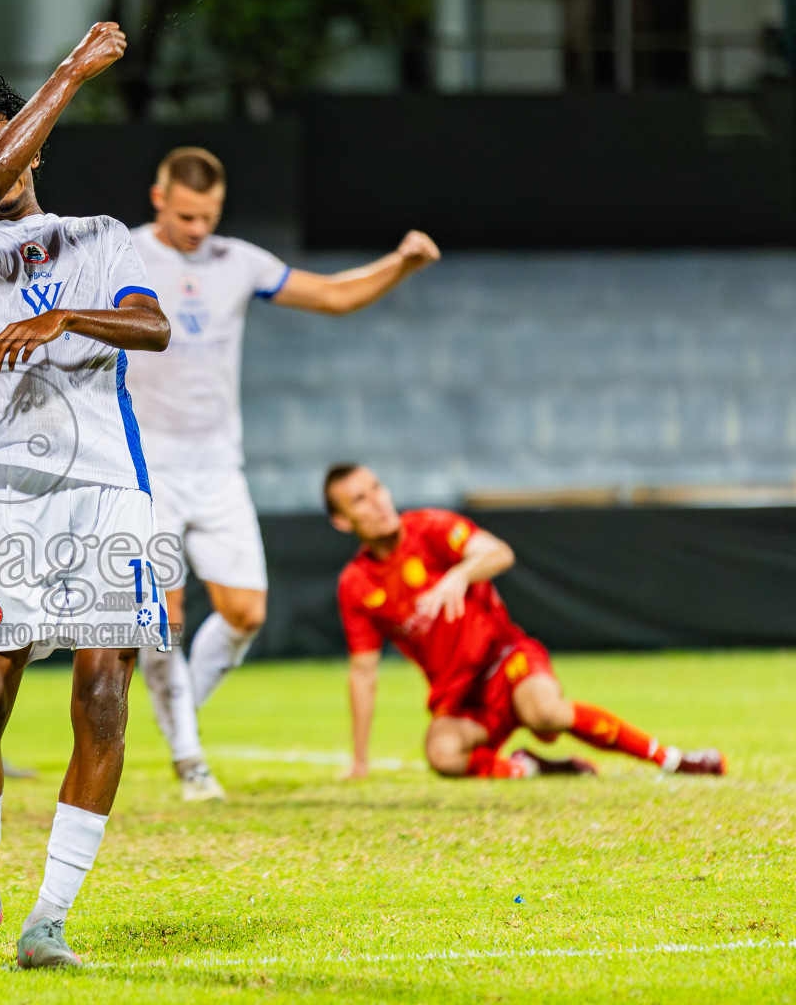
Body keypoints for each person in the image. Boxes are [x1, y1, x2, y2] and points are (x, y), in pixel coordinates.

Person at [0, 22, 172, 971]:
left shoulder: (102, 237)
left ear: (39, 143)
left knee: (101, 697)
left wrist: (65, 316)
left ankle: (48, 919)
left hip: (110, 492)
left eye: (5, 135)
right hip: (16, 500)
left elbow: (153, 327)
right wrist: (72, 70)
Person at [123, 146, 442, 802]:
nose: (198, 228)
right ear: (159, 200)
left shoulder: (238, 262)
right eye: (186, 216)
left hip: (219, 467)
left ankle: (178, 714)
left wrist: (401, 264)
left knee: (246, 613)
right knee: (166, 616)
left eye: (209, 216)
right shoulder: (121, 253)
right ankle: (189, 758)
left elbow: (331, 296)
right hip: (145, 465)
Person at [325, 464, 725, 780]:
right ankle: (529, 767)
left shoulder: (430, 528)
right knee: (442, 754)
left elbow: (499, 553)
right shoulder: (357, 585)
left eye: (377, 488)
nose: (378, 502)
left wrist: (459, 575)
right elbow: (363, 672)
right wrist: (360, 760)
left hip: (507, 659)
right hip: (463, 696)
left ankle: (673, 759)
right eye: (359, 499)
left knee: (545, 714)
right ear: (342, 521)